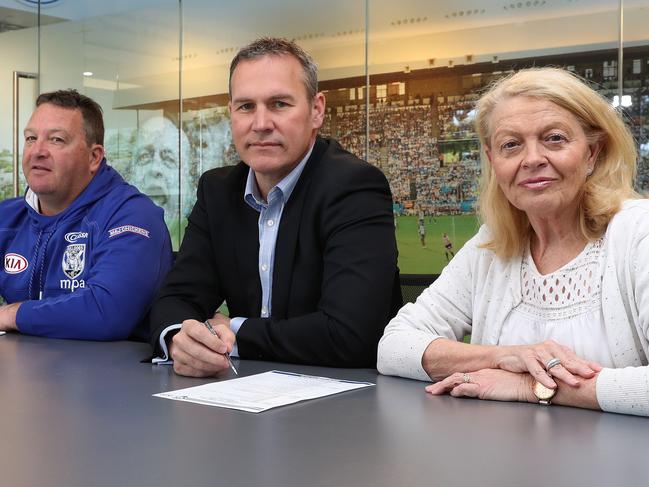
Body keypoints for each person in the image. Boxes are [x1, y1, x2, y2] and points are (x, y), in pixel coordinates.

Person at [377, 67, 649, 417]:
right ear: (493, 161)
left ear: (592, 153)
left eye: (554, 138)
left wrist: (531, 386)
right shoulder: (492, 247)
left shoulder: (637, 233)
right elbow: (393, 346)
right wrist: (504, 355)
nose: (532, 159)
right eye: (511, 145)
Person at [149, 37, 401, 376]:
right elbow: (176, 298)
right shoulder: (217, 190)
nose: (261, 123)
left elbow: (351, 335)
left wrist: (232, 332)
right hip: (244, 395)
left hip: (343, 404)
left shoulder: (354, 187)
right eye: (246, 106)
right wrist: (180, 338)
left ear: (317, 110)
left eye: (279, 104)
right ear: (231, 115)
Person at [0, 90, 173, 340]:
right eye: (30, 138)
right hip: (23, 372)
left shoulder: (131, 215)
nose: (37, 151)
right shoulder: (7, 218)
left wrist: (13, 314)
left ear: (94, 157)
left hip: (111, 376)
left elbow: (107, 311)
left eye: (56, 140)